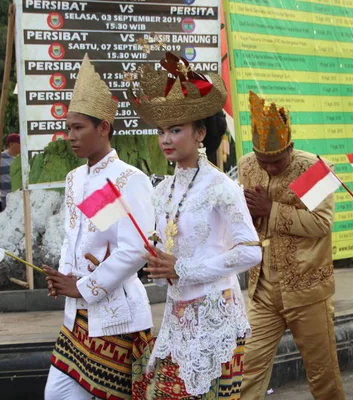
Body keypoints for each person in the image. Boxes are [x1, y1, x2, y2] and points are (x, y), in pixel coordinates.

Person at [129, 51, 262, 398]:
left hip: (216, 316)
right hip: (176, 314)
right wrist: (156, 261)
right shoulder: (161, 191)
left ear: (200, 132)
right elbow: (161, 246)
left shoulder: (222, 187)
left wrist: (185, 267)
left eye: (176, 130)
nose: (166, 140)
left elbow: (251, 252)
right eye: (161, 132)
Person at [42, 54, 155, 400]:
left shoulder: (128, 179)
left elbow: (135, 249)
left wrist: (85, 287)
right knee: (57, 395)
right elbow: (73, 235)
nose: (71, 136)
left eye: (79, 128)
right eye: (69, 128)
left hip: (116, 314)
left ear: (103, 127)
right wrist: (63, 276)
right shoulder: (75, 178)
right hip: (76, 317)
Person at [238, 91, 344, 400]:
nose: (268, 168)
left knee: (323, 375)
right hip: (263, 290)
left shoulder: (313, 169)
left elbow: (322, 224)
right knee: (247, 371)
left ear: (291, 148)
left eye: (276, 162)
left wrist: (270, 210)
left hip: (307, 288)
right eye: (263, 161)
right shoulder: (247, 166)